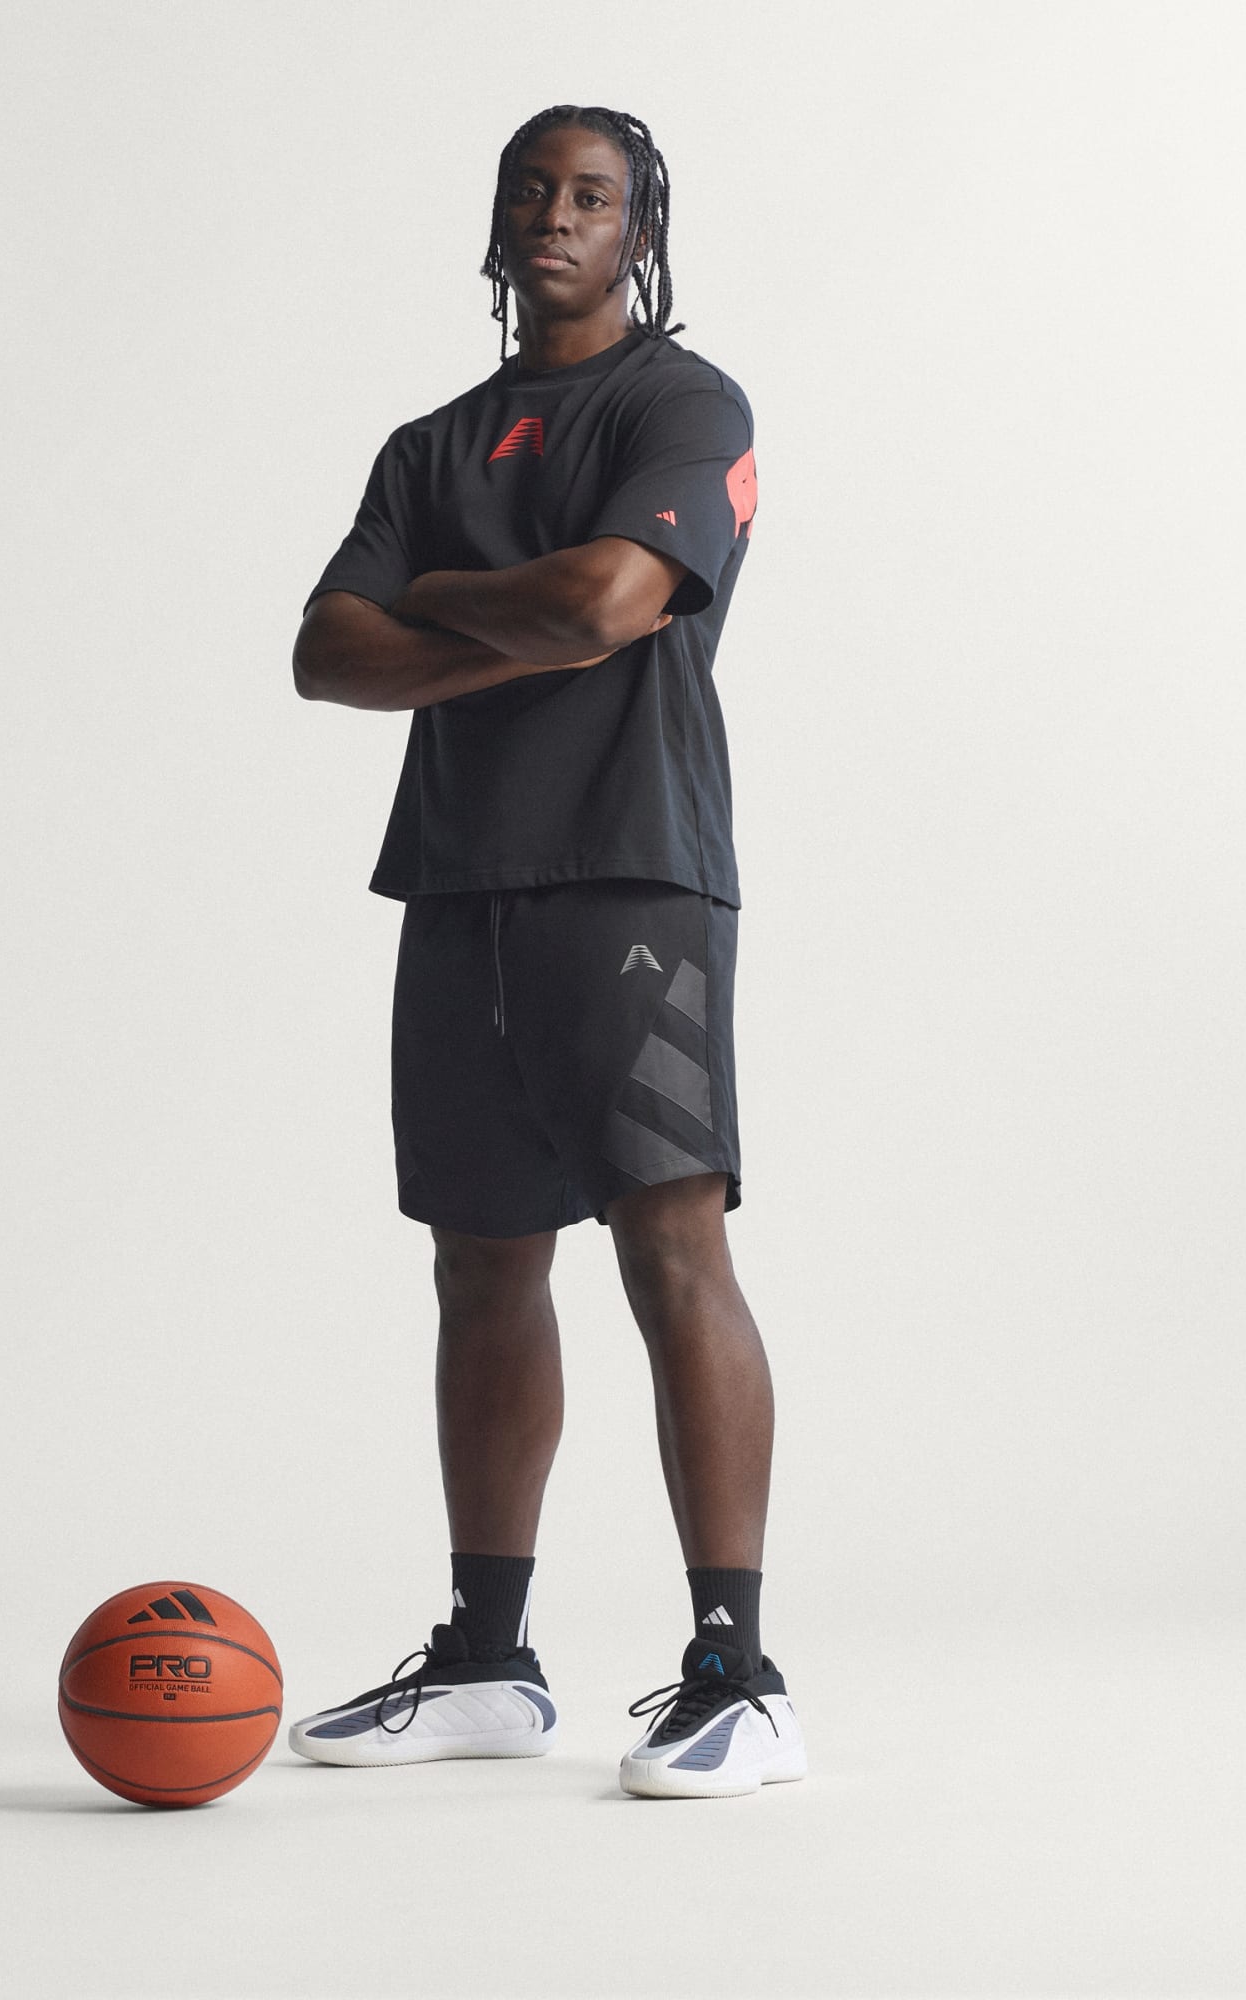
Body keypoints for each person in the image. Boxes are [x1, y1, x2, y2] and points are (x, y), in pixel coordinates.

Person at [285, 104, 803, 1800]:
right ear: (498, 218)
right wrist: (517, 612)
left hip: (634, 871)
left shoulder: (684, 405)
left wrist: (437, 602)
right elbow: (325, 655)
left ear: (640, 230)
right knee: (482, 1263)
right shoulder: (430, 445)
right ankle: (490, 1662)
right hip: (459, 883)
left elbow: (607, 606)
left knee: (671, 1248)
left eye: (593, 195)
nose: (557, 216)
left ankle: (738, 1675)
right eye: (533, 189)